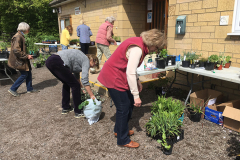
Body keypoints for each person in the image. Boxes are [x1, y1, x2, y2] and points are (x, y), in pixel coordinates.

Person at [97, 29, 166, 148]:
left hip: (118, 75)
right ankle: (122, 140)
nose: (156, 50)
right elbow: (130, 72)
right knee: (124, 108)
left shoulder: (138, 43)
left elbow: (131, 68)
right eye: (157, 47)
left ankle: (119, 130)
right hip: (113, 77)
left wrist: (138, 81)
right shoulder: (138, 49)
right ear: (153, 43)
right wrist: (136, 96)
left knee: (127, 106)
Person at [45, 49, 99, 118]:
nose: (93, 66)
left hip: (50, 61)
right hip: (58, 61)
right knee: (75, 85)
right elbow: (85, 80)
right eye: (95, 64)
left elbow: (77, 77)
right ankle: (78, 111)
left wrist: (81, 88)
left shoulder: (80, 59)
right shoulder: (86, 60)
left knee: (67, 83)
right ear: (92, 60)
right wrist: (92, 96)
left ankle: (66, 107)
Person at [7, 22, 39, 97]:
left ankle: (29, 88)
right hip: (18, 59)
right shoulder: (18, 37)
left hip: (21, 58)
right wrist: (27, 56)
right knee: (24, 74)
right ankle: (13, 89)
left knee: (28, 72)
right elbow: (16, 50)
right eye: (28, 29)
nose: (29, 30)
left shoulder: (20, 36)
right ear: (24, 29)